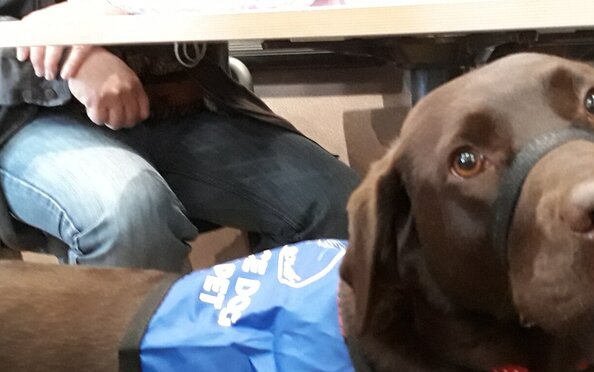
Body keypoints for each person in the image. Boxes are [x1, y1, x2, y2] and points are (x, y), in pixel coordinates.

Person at [0, 0, 360, 272]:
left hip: (183, 112)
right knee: (130, 216)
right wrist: (75, 63)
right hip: (35, 119)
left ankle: (267, 342)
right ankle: (133, 351)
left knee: (343, 207)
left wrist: (114, 7)